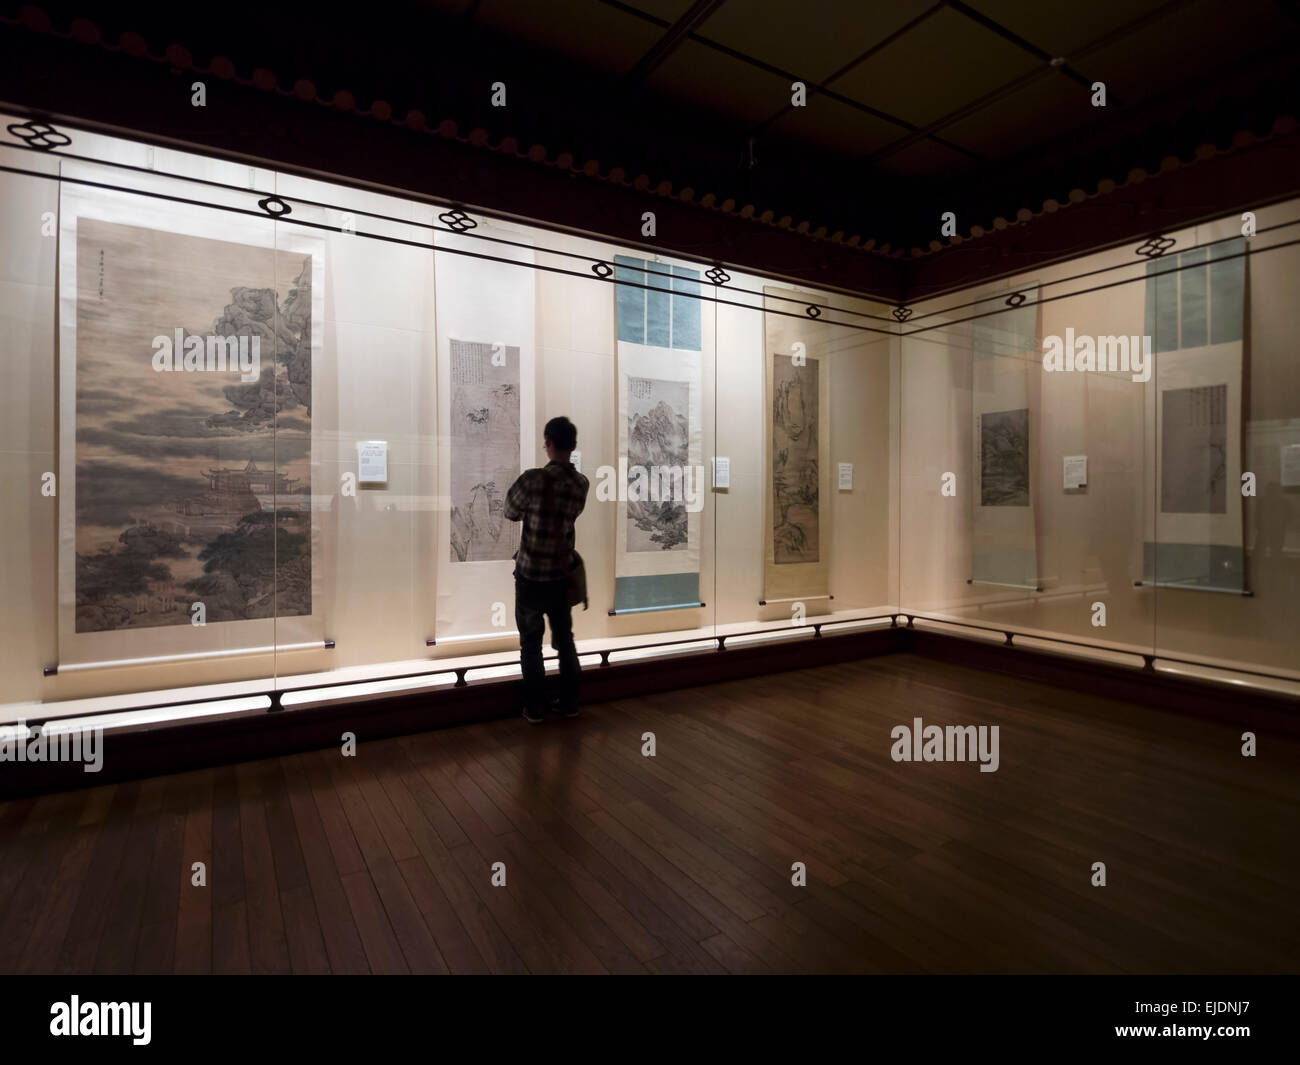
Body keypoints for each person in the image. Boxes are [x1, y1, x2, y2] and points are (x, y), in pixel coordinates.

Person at [504, 416, 590, 724]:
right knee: (564, 639)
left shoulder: (532, 479)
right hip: (560, 575)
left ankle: (536, 708)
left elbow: (509, 511)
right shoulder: (581, 484)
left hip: (529, 576)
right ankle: (569, 702)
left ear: (548, 443)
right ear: (574, 446)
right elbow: (572, 515)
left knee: (530, 642)